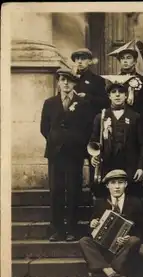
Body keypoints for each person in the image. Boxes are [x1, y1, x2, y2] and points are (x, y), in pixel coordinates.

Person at [40, 67, 94, 242]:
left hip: (74, 154)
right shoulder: (50, 103)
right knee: (56, 190)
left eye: (69, 81)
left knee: (73, 189)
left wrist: (74, 142)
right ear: (58, 82)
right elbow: (44, 128)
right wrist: (57, 140)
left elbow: (88, 128)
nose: (66, 84)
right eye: (63, 80)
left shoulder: (83, 104)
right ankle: (57, 228)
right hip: (55, 153)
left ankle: (72, 228)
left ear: (74, 83)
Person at [79, 170, 143, 277]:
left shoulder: (135, 202)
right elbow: (89, 231)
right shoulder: (100, 203)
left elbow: (141, 229)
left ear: (126, 184)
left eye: (120, 183)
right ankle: (109, 271)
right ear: (107, 185)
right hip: (103, 246)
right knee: (84, 241)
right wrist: (92, 224)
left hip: (123, 248)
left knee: (134, 240)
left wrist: (127, 237)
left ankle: (103, 271)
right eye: (113, 183)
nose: (117, 186)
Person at [89, 76, 143, 198]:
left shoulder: (135, 117)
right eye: (113, 92)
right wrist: (93, 156)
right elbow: (93, 141)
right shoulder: (101, 116)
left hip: (129, 166)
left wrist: (141, 167)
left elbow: (142, 144)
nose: (117, 95)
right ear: (109, 96)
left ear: (126, 96)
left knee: (130, 200)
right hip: (107, 165)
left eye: (121, 92)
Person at [108, 40, 143, 118]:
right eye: (122, 58)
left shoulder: (142, 80)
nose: (125, 61)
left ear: (135, 61)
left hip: (139, 119)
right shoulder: (114, 81)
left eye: (128, 58)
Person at [71, 48, 109, 116]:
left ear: (89, 61)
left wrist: (86, 96)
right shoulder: (69, 79)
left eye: (83, 58)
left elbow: (105, 102)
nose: (79, 61)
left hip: (90, 119)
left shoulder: (97, 80)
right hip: (72, 118)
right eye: (77, 59)